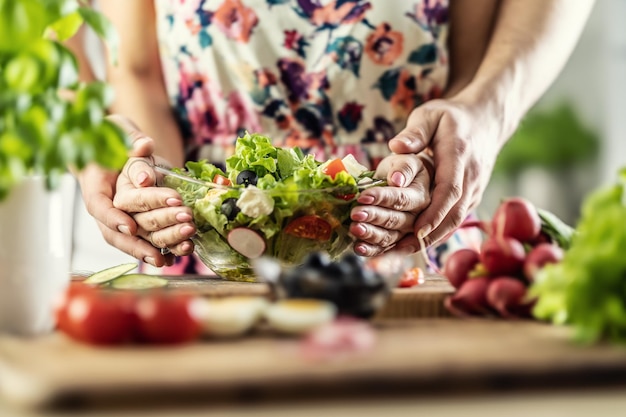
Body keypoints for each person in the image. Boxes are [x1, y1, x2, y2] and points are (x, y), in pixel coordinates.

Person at [68, 0, 594, 274]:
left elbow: (469, 73)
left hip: (403, 231)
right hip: (207, 252)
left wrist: (482, 111)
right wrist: (146, 172)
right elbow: (137, 71)